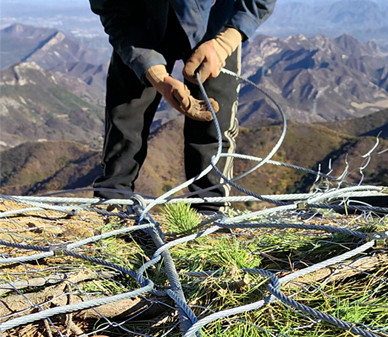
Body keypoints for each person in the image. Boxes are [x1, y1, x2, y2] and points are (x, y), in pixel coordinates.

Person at [89, 0, 276, 213]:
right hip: (141, 23)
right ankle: (112, 203)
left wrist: (224, 42)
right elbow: (112, 8)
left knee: (213, 124)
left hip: (215, 23)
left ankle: (210, 211)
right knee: (126, 120)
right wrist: (155, 73)